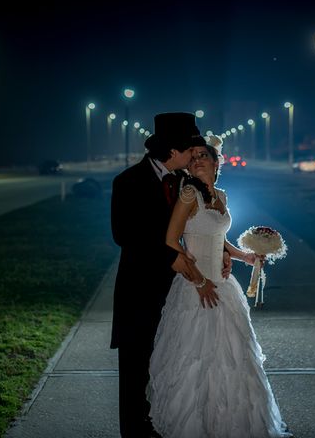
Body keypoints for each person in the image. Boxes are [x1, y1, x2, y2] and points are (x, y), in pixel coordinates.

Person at [148, 135, 293, 438]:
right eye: (194, 156)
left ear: (217, 162)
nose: (198, 159)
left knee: (231, 359)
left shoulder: (222, 196)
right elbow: (171, 242)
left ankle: (228, 425)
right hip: (195, 289)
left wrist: (245, 257)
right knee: (196, 361)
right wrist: (199, 281)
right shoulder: (189, 195)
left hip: (224, 287)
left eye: (205, 155)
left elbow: (219, 239)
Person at [111, 112, 230, 437]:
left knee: (170, 368)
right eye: (191, 150)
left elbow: (197, 224)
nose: (195, 156)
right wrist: (170, 256)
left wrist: (220, 250)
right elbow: (124, 234)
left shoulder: (184, 182)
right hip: (140, 294)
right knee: (136, 372)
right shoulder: (127, 182)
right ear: (174, 150)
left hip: (179, 294)